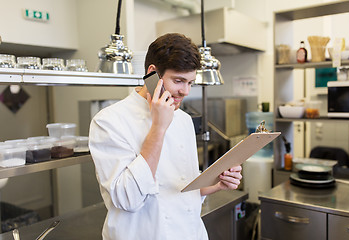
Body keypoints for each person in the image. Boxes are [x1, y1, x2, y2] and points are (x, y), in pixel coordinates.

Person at [89, 33, 242, 240]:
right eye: (178, 81)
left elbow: (181, 186)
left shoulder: (184, 119)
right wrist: (159, 128)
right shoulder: (109, 121)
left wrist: (216, 184)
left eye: (190, 82)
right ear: (153, 73)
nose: (185, 91)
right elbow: (128, 199)